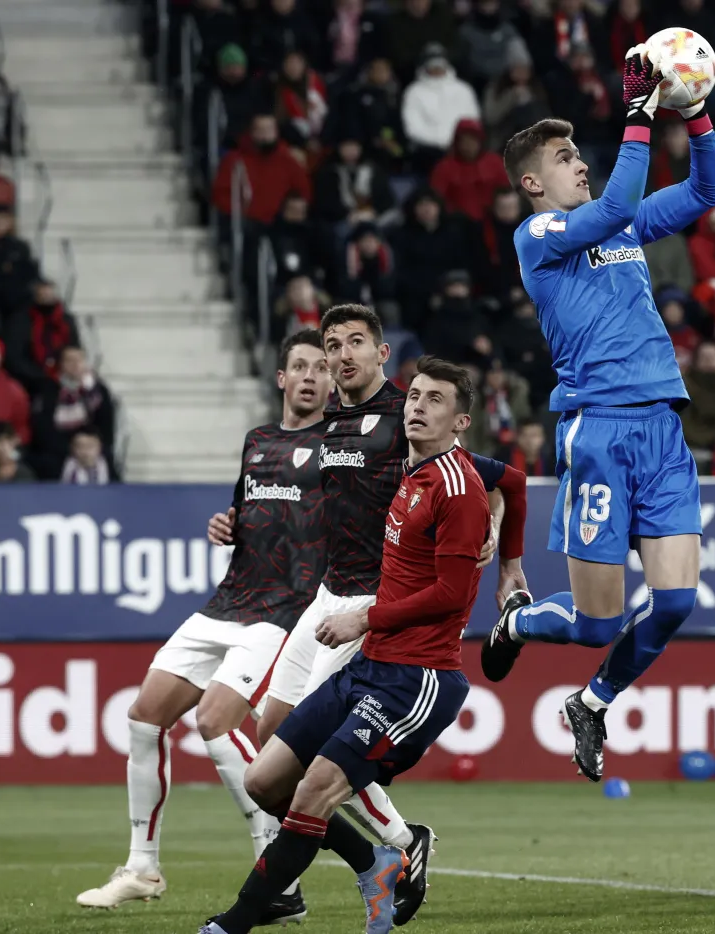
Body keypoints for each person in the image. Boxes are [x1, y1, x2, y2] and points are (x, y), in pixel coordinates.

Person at [481, 45, 715, 782]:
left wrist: (695, 109)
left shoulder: (617, 227)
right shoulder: (538, 240)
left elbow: (708, 188)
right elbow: (619, 201)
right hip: (599, 430)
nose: (579, 165)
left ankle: (592, 702)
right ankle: (520, 617)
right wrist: (638, 116)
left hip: (662, 427)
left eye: (579, 154)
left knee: (677, 601)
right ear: (532, 182)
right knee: (594, 622)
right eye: (564, 159)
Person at [245, 305, 526, 924]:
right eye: (331, 345)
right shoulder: (335, 421)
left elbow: (506, 477)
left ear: (379, 353)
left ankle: (390, 849)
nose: (341, 355)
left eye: (354, 344)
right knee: (269, 747)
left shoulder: (409, 415)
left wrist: (503, 546)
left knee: (315, 760)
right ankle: (385, 853)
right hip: (328, 595)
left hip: (376, 605)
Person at [198, 358, 491, 934]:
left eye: (435, 401)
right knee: (264, 783)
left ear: (461, 422)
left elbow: (453, 593)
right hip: (368, 664)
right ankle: (377, 860)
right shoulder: (408, 469)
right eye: (416, 397)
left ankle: (233, 924)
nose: (418, 407)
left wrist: (367, 617)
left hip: (417, 676)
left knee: (312, 792)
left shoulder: (458, 489)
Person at [76, 331, 330, 923]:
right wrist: (228, 523)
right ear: (281, 378)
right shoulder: (258, 442)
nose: (312, 375)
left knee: (215, 721)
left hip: (283, 607)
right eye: (300, 365)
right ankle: (141, 867)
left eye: (321, 366)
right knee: (143, 718)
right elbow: (249, 510)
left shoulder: (340, 447)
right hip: (228, 601)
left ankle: (278, 876)